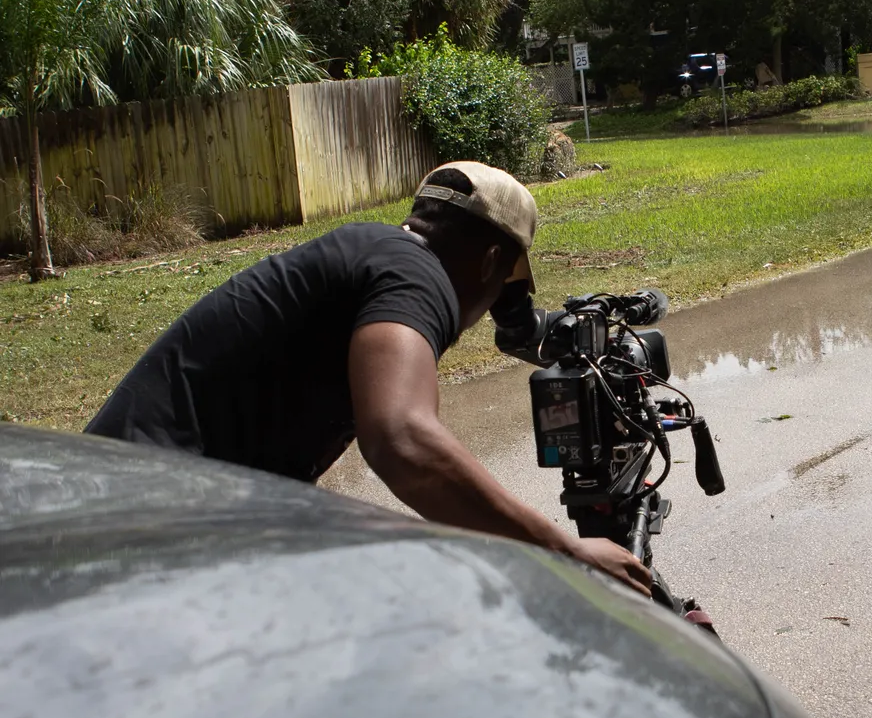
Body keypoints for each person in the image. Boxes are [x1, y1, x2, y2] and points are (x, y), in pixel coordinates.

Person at [86, 161, 653, 595]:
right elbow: (402, 439)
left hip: (136, 511)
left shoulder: (376, 255)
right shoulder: (413, 274)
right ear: (487, 263)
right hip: (148, 528)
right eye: (505, 284)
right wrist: (562, 549)